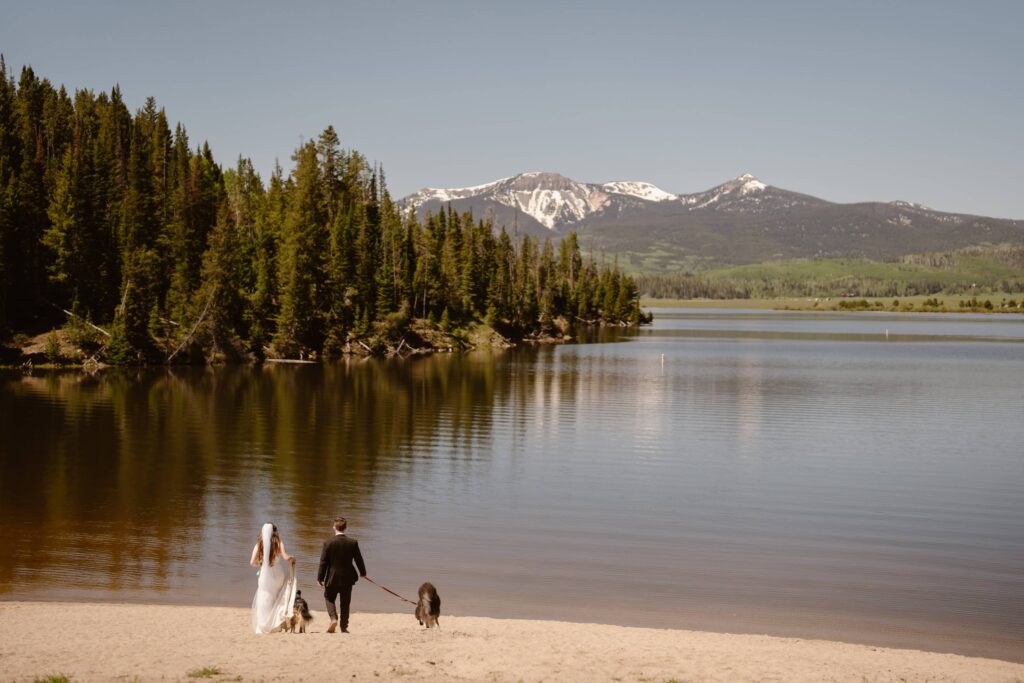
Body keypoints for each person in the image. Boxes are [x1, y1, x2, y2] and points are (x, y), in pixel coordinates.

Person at [317, 517, 367, 633]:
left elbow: (323, 562)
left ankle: (333, 618)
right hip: (347, 578)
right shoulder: (352, 542)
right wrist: (363, 573)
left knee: (329, 598)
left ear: (334, 527)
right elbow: (359, 559)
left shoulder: (328, 543)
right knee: (345, 602)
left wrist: (320, 578)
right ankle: (344, 627)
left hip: (332, 577)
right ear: (345, 528)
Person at [249, 523, 297, 634]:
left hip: (265, 575)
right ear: (276, 532)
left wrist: (262, 565)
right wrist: (292, 557)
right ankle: (275, 624)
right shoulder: (279, 543)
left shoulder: (259, 545)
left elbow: (252, 562)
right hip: (278, 575)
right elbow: (286, 557)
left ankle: (263, 624)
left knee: (264, 598)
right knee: (277, 598)